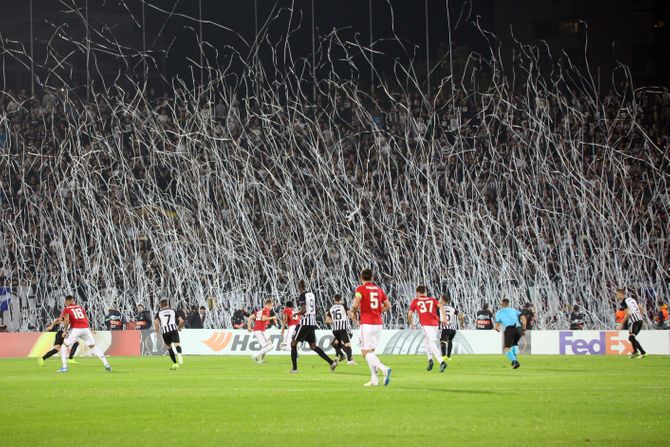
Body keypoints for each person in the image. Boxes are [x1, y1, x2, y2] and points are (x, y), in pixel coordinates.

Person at [350, 269, 392, 387]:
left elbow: (356, 302)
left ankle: (384, 368)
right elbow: (388, 305)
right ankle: (374, 379)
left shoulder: (360, 289)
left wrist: (353, 312)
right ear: (372, 278)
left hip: (367, 323)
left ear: (361, 277)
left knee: (364, 352)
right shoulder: (378, 289)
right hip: (378, 323)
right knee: (371, 351)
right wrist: (378, 311)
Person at [289, 280, 338, 374]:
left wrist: (296, 313)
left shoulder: (302, 296)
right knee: (313, 346)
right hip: (312, 323)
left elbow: (303, 310)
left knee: (293, 343)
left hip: (304, 323)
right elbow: (316, 309)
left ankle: (294, 369)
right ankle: (331, 363)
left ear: (299, 287)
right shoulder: (312, 295)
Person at [57, 295, 112, 373]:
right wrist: (89, 328)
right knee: (93, 346)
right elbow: (85, 317)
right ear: (73, 301)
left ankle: (64, 367)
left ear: (66, 301)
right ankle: (106, 363)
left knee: (64, 345)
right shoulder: (80, 307)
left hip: (76, 329)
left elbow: (66, 320)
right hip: (85, 328)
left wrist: (65, 331)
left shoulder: (67, 309)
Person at [407, 286, 447, 372]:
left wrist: (411, 323)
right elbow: (441, 307)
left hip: (426, 324)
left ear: (417, 293)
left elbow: (410, 314)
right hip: (435, 324)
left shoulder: (416, 301)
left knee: (431, 341)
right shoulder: (432, 299)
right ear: (425, 292)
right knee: (426, 341)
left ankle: (441, 361)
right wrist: (444, 319)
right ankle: (430, 360)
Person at [494, 298, 526, 369]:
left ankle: (515, 361)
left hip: (509, 329)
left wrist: (497, 329)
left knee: (506, 348)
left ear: (502, 304)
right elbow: (523, 317)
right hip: (518, 329)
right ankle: (514, 360)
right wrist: (523, 328)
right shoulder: (514, 310)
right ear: (508, 303)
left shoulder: (498, 313)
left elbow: (496, 326)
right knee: (514, 344)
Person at [155, 299, 185, 370]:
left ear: (161, 306)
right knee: (177, 345)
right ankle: (179, 355)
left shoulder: (159, 313)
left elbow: (156, 323)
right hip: (174, 330)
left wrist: (157, 332)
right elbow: (181, 321)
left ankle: (175, 363)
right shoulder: (173, 311)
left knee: (169, 347)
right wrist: (179, 327)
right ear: (167, 305)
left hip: (165, 332)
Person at [326, 295, 355, 365]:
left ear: (334, 300)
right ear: (341, 300)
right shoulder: (343, 306)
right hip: (344, 329)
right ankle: (350, 360)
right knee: (347, 344)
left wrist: (334, 321)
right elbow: (350, 313)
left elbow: (327, 320)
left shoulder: (331, 309)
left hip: (335, 330)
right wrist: (355, 320)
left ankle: (342, 355)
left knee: (335, 344)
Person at [617, 288, 647, 358]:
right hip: (639, 320)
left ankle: (636, 352)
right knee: (631, 338)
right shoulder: (631, 299)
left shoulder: (624, 302)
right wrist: (641, 316)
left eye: (617, 294)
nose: (616, 296)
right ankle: (642, 352)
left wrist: (621, 324)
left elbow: (627, 314)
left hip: (633, 320)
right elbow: (640, 307)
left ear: (621, 294)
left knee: (631, 336)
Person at [248, 299, 277, 364]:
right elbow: (263, 318)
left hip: (261, 330)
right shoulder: (265, 310)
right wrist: (272, 318)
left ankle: (260, 359)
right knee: (269, 346)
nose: (272, 307)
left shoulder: (260, 311)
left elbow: (250, 317)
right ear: (268, 305)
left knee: (268, 346)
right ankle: (255, 356)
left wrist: (249, 327)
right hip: (259, 330)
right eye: (271, 305)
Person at [439, 295, 465, 361]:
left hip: (446, 328)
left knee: (443, 342)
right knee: (450, 341)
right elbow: (461, 315)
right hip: (453, 329)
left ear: (443, 300)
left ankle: (444, 356)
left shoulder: (440, 308)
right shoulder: (452, 308)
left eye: (440, 299)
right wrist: (462, 323)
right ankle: (448, 356)